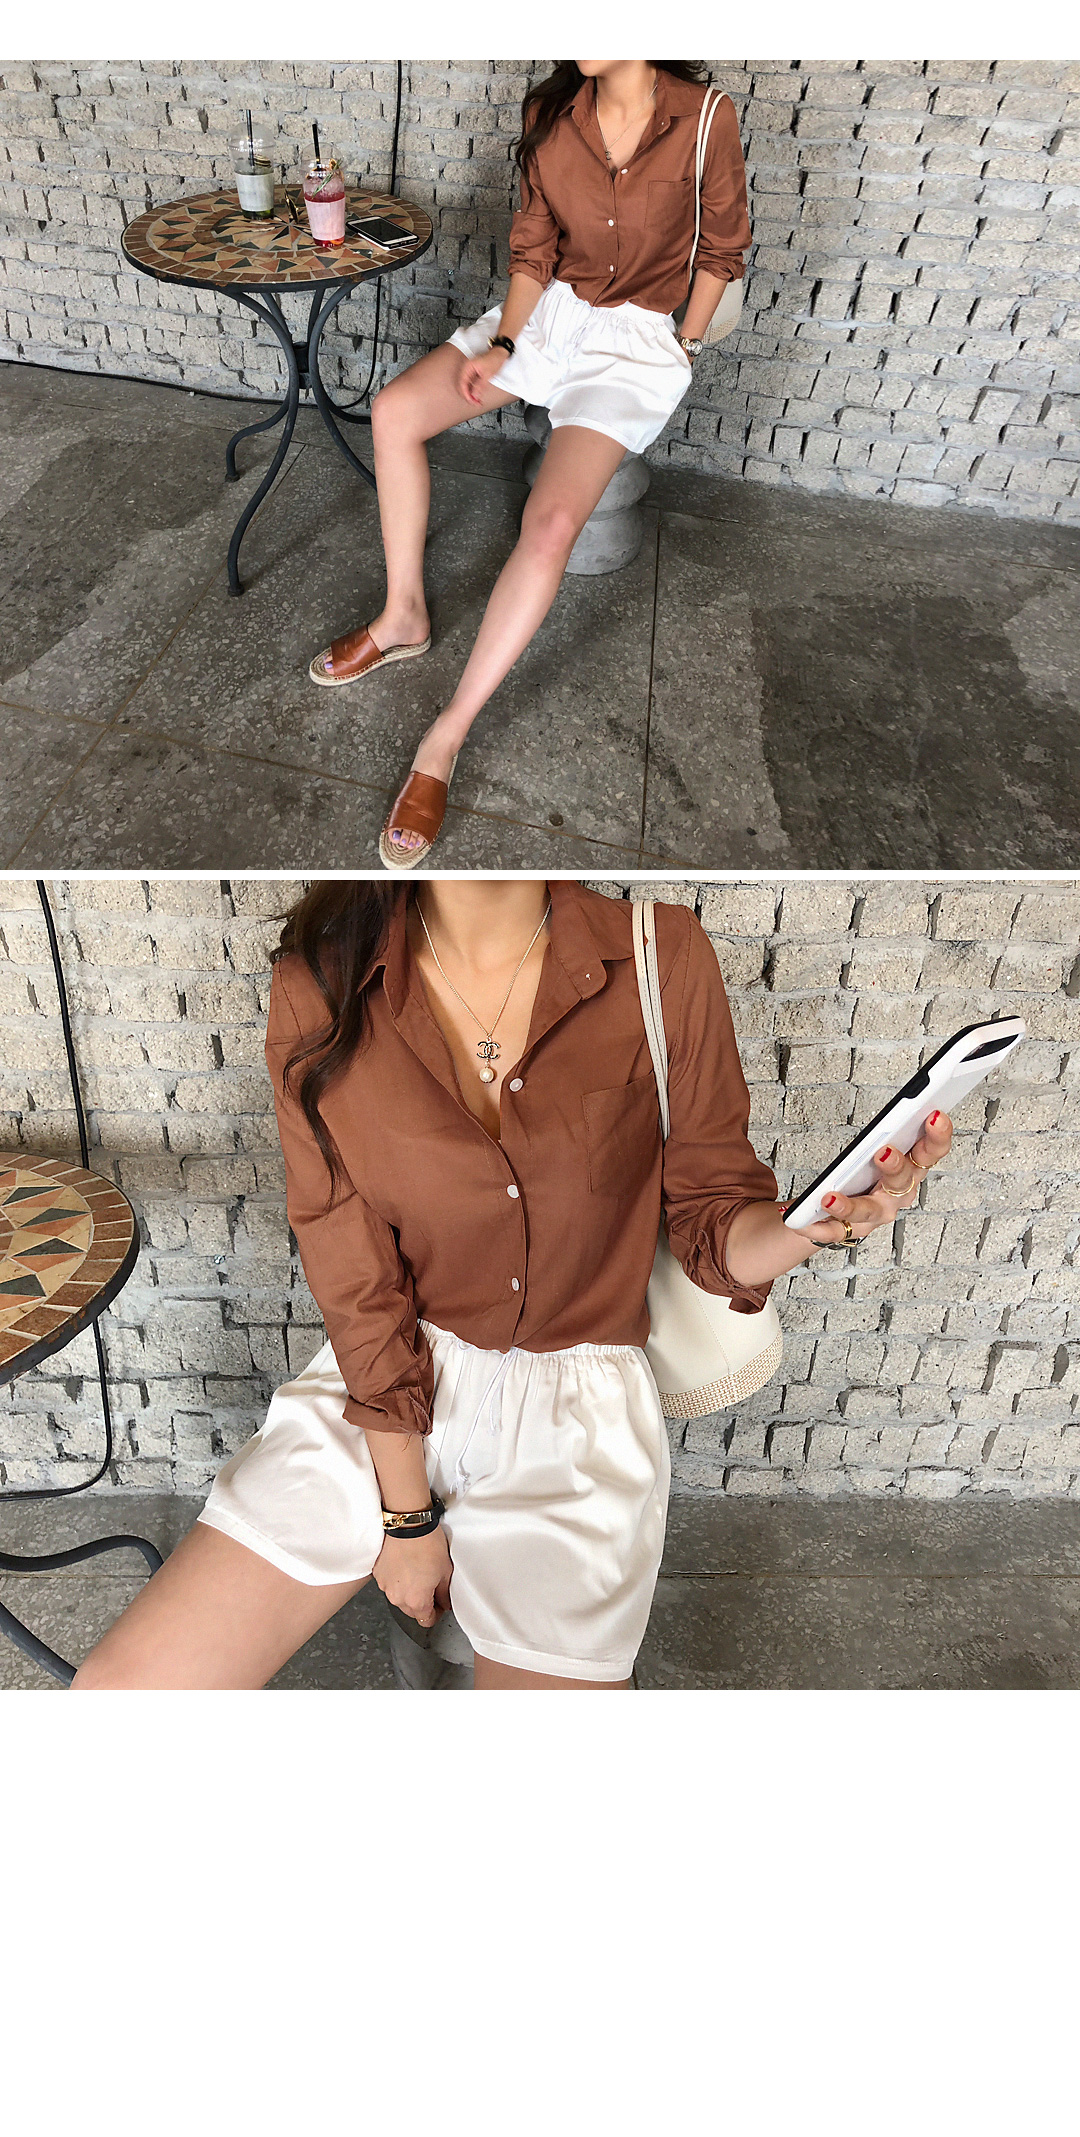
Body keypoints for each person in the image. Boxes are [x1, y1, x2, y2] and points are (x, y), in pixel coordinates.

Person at [70, 878, 952, 1698]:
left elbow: (715, 1219)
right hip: (384, 1386)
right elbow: (352, 1271)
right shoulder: (321, 984)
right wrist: (406, 1520)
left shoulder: (659, 956)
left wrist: (813, 1224)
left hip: (579, 1424)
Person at [308, 64, 750, 857]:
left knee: (549, 527)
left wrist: (683, 345)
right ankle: (404, 614)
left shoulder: (707, 118)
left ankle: (445, 736)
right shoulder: (551, 112)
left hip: (634, 346)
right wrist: (506, 344)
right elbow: (533, 249)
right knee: (396, 411)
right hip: (548, 318)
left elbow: (722, 251)